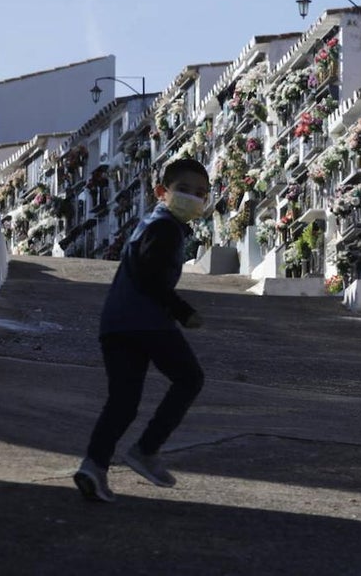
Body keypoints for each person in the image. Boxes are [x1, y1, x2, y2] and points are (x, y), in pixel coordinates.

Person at [73, 157, 210, 502]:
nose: (193, 198)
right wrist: (182, 311)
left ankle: (94, 466)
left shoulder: (154, 223)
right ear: (161, 192)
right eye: (184, 190)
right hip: (146, 321)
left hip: (116, 324)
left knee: (123, 401)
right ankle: (146, 450)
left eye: (201, 193)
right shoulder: (164, 227)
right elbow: (149, 274)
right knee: (189, 378)